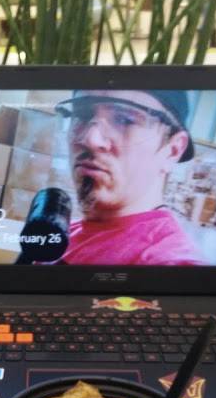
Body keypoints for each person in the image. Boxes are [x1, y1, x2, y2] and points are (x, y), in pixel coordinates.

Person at [54, 90, 203, 266]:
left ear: (173, 151)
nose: (90, 139)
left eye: (125, 120)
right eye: (82, 115)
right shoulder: (62, 235)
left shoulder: (170, 263)